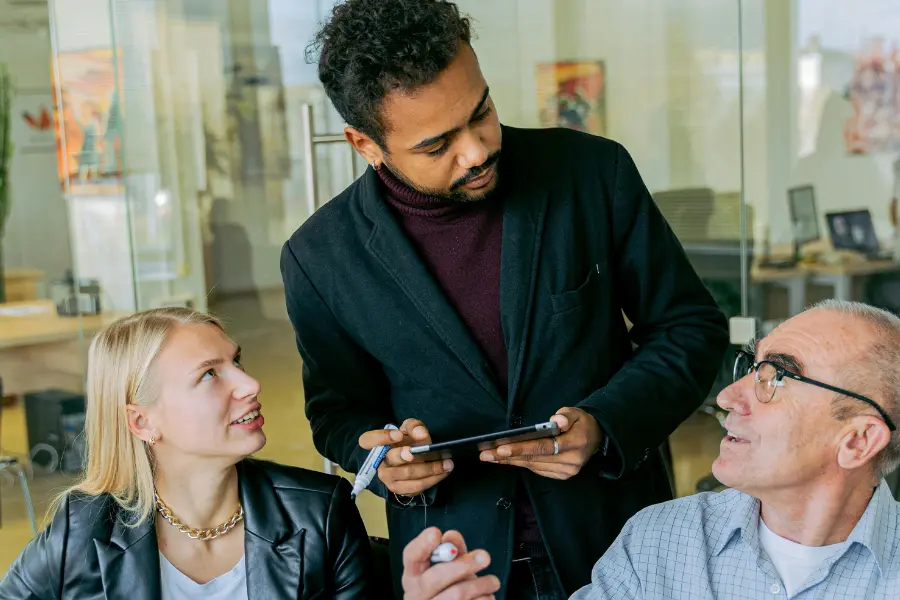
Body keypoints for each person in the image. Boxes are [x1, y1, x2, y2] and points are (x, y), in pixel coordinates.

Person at [281, 0, 728, 596]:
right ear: (364, 143)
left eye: (481, 111)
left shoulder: (592, 172)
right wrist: (383, 463)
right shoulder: (318, 257)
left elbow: (690, 329)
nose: (476, 150)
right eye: (438, 145)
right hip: (453, 564)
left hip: (618, 541)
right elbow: (336, 413)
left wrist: (604, 425)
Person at [401, 299, 900, 599]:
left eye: (778, 378)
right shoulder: (660, 541)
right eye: (751, 366)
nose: (728, 398)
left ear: (858, 440)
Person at [0, 308, 374, 599]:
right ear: (143, 422)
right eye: (209, 374)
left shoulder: (319, 514)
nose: (250, 383)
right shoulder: (83, 528)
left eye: (236, 361)